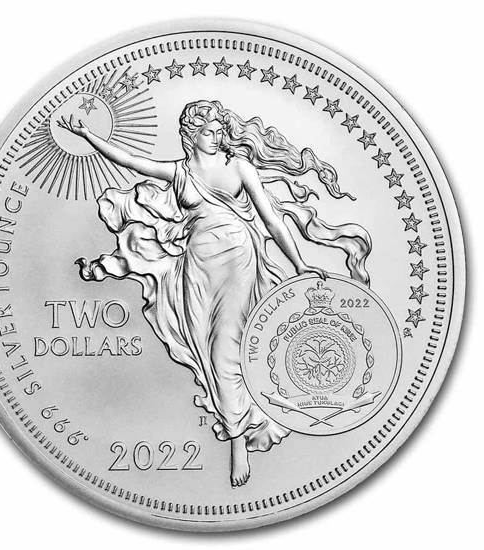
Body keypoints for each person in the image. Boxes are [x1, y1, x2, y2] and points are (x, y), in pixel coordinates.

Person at [59, 100, 371, 486]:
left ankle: (238, 442)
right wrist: (89, 136)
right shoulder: (179, 172)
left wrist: (299, 263)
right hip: (196, 266)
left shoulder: (240, 167)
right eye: (208, 131)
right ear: (191, 136)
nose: (216, 137)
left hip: (238, 257)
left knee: (226, 346)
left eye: (219, 131)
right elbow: (130, 160)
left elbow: (272, 220)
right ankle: (237, 420)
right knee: (205, 348)